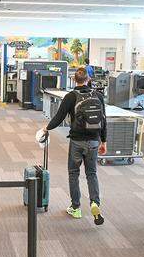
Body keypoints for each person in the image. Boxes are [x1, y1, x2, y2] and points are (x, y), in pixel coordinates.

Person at [41, 67, 107, 225]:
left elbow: (59, 117)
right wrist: (103, 141)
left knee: (73, 173)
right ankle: (94, 203)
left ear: (73, 79)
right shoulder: (98, 95)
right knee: (92, 173)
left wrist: (46, 128)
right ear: (88, 79)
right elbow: (104, 121)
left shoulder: (71, 96)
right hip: (93, 141)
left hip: (77, 141)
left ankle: (76, 207)